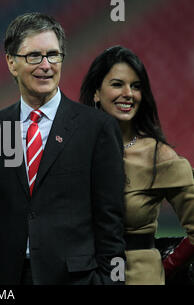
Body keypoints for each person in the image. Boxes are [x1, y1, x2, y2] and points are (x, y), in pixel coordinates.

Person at [0, 13, 126, 285]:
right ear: (11, 63)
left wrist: (110, 281)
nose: (46, 65)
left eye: (53, 55)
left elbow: (111, 222)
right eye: (34, 56)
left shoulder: (97, 128)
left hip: (76, 279)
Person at [80, 45, 194, 285]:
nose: (128, 93)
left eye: (136, 86)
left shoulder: (159, 157)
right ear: (96, 93)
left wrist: (169, 265)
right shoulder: (73, 151)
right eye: (117, 84)